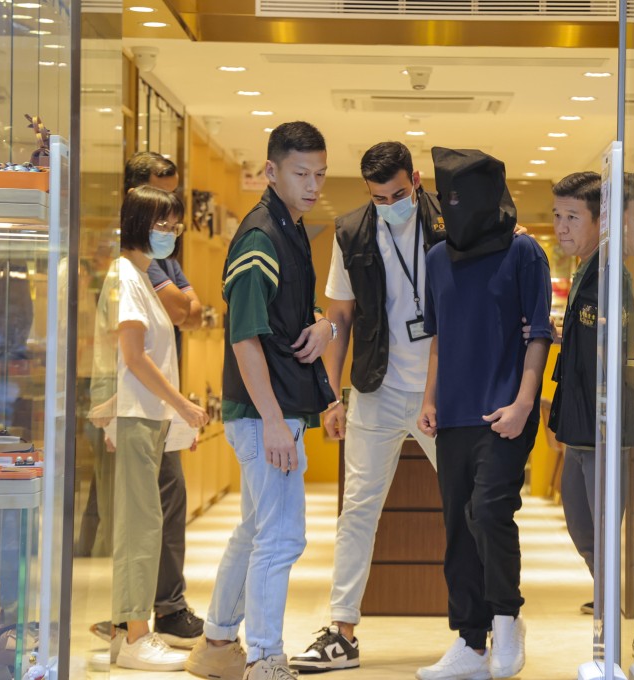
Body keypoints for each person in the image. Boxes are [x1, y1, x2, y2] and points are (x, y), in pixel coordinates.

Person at [186, 121, 335, 680]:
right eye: (301, 173)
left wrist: (323, 326)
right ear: (270, 171)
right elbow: (243, 336)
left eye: (319, 174)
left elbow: (284, 320)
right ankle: (266, 656)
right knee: (280, 537)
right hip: (266, 414)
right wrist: (273, 421)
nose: (313, 184)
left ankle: (219, 644)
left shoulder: (290, 228)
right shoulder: (260, 236)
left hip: (274, 408)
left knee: (255, 530)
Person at [289, 142, 444, 673]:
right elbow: (340, 316)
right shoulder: (352, 230)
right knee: (357, 509)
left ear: (416, 180)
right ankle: (342, 632)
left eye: (400, 193)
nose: (391, 203)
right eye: (380, 197)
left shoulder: (449, 221)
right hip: (376, 389)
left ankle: (481, 625)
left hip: (441, 392)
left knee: (471, 507)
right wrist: (332, 395)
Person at [416, 147, 552, 680]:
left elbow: (539, 334)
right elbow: (437, 339)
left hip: (505, 409)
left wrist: (523, 403)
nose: (454, 210)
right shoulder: (435, 258)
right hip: (451, 412)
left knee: (489, 512)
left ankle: (507, 615)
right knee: (457, 527)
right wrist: (429, 400)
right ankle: (471, 644)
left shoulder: (525, 254)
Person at [87, 152, 206, 650]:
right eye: (165, 224)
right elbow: (134, 359)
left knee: (147, 521)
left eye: (176, 226)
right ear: (140, 223)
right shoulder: (127, 277)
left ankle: (128, 628)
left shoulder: (139, 275)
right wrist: (183, 405)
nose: (172, 233)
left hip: (146, 416)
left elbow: (187, 318)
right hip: (137, 415)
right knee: (139, 525)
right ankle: (135, 634)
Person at [547, 172, 634, 617]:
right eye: (557, 216)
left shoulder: (610, 273)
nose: (562, 227)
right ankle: (608, 610)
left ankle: (612, 625)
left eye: (572, 217)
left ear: (600, 221)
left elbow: (619, 354)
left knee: (599, 535)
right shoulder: (585, 268)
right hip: (580, 429)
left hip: (603, 431)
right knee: (583, 530)